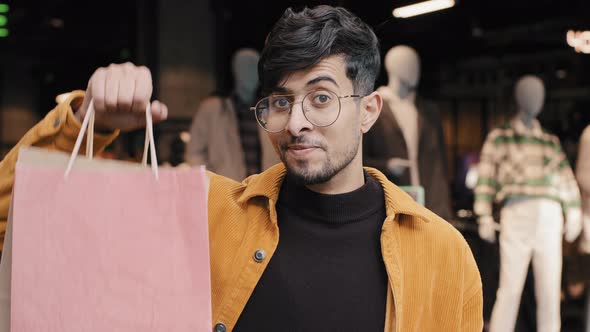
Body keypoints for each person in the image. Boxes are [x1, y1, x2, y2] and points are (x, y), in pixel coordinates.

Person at [0, 5, 482, 331]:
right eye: (279, 101)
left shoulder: (441, 253)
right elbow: (17, 225)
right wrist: (86, 122)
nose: (295, 124)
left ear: (370, 109)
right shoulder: (206, 213)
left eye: (320, 98)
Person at [474, 75, 581, 332]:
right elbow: (486, 175)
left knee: (549, 287)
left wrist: (573, 210)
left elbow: (565, 178)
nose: (536, 100)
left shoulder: (549, 140)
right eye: (531, 94)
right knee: (510, 286)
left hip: (549, 213)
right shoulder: (501, 137)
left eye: (540, 94)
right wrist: (483, 214)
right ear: (519, 98)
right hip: (517, 209)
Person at [363, 45, 452, 220]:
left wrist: (445, 210)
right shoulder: (373, 109)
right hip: (391, 204)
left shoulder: (428, 111)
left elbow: (440, 164)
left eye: (416, 64)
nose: (415, 70)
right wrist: (386, 165)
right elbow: (359, 160)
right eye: (408, 64)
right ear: (391, 67)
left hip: (431, 204)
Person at [185, 48, 279, 181]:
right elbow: (194, 153)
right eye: (245, 68)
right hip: (226, 191)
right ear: (235, 71)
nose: (250, 74)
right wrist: (213, 182)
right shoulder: (212, 109)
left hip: (265, 190)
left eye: (254, 68)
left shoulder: (271, 108)